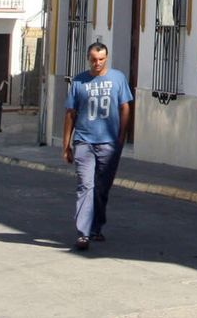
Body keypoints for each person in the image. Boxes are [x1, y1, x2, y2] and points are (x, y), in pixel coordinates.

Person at [62, 41, 133, 251]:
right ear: (88, 59)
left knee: (102, 188)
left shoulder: (118, 78)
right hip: (84, 141)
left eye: (101, 59)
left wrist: (121, 137)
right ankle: (83, 233)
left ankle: (96, 227)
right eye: (94, 59)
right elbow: (70, 113)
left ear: (106, 58)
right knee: (86, 185)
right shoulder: (79, 81)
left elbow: (125, 107)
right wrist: (66, 145)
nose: (97, 63)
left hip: (109, 143)